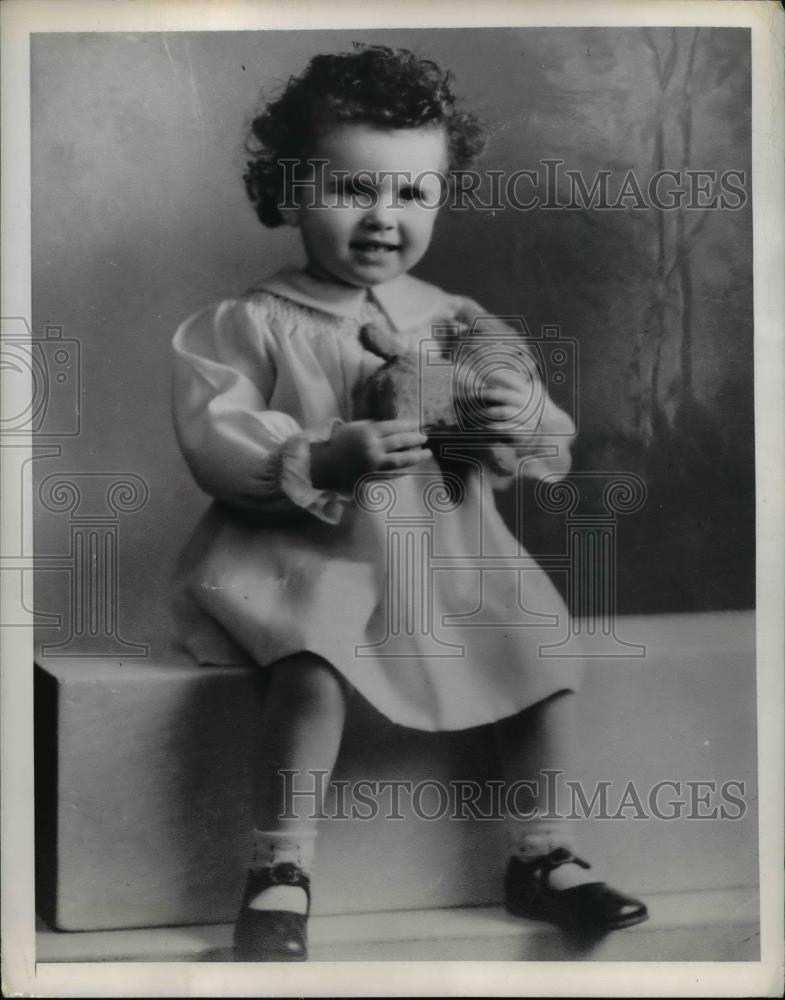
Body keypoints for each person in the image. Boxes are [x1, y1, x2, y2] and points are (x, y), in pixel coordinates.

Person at [171, 44, 648, 962]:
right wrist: (321, 452)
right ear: (289, 189)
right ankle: (280, 869)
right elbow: (216, 436)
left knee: (542, 644)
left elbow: (535, 430)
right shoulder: (252, 320)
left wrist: (516, 409)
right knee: (311, 660)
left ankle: (543, 855)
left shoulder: (459, 318)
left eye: (412, 195)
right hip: (307, 549)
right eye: (351, 190)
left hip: (444, 549)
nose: (383, 219)